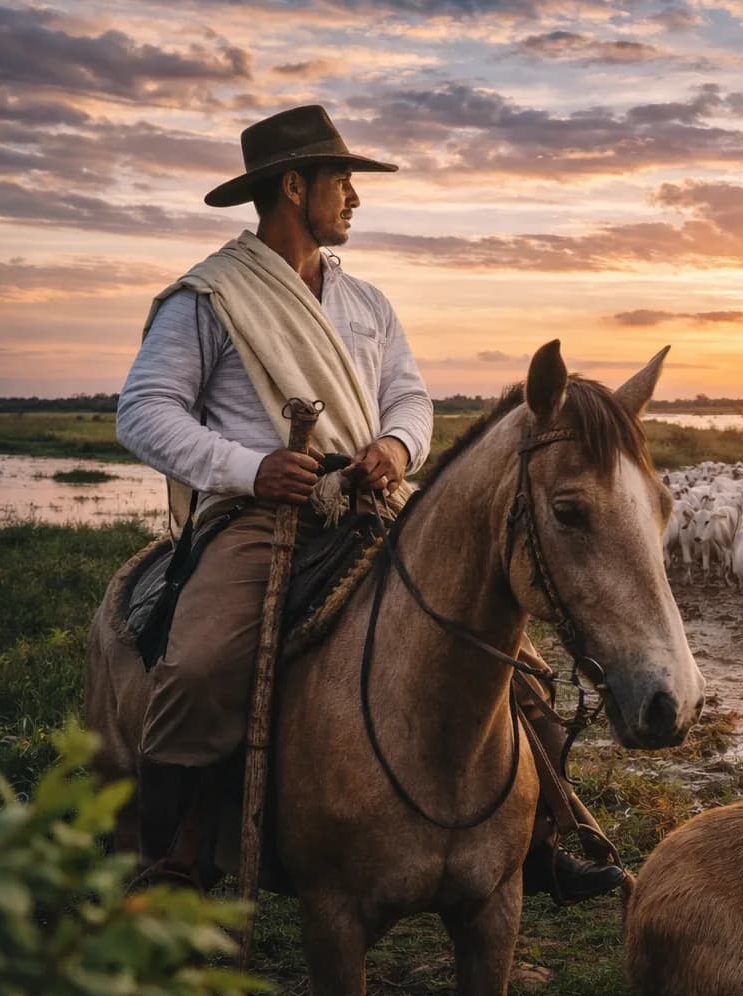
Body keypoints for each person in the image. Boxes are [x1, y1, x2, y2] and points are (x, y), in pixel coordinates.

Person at [117, 104, 624, 902]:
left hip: (371, 507)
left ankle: (545, 835)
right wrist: (252, 470)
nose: (354, 197)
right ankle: (177, 855)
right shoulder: (207, 300)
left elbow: (409, 401)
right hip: (257, 515)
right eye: (341, 181)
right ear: (294, 187)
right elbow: (144, 412)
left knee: (517, 664)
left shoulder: (369, 305)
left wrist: (395, 448)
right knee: (200, 663)